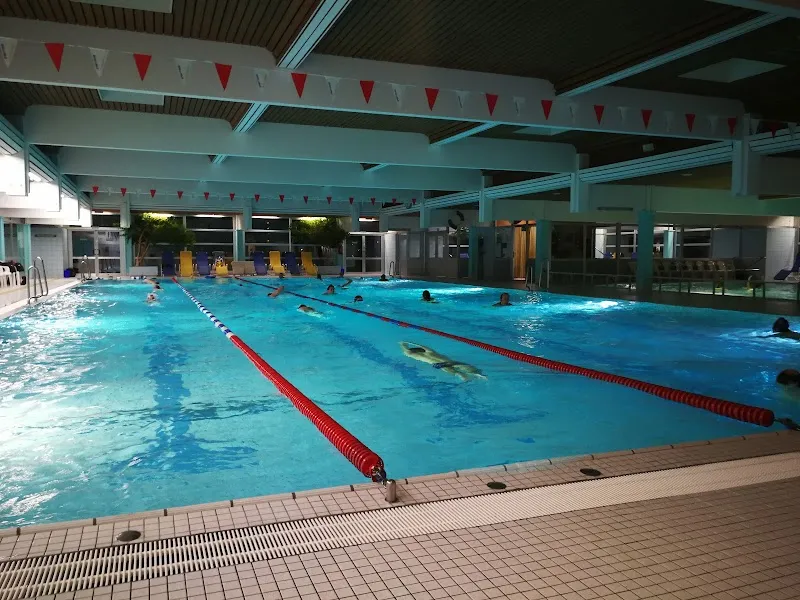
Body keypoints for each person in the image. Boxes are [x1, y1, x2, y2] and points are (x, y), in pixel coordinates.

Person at [399, 342, 485, 382]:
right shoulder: (430, 351)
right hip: (450, 362)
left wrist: (402, 344)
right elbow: (422, 345)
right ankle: (479, 375)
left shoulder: (415, 355)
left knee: (455, 372)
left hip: (438, 365)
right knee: (467, 367)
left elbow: (406, 351)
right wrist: (406, 342)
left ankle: (463, 376)